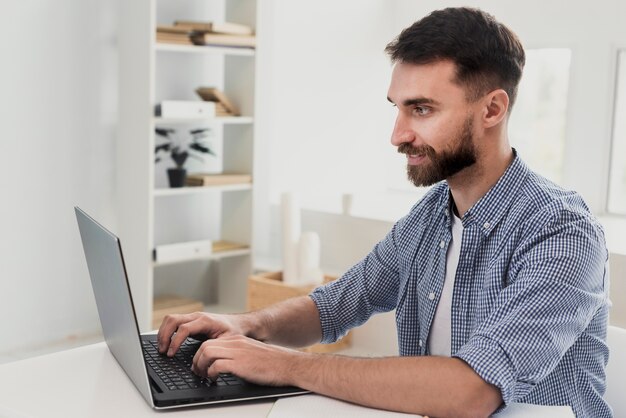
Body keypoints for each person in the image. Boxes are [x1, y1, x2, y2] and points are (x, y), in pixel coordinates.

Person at [157, 7, 611, 418]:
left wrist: (285, 366)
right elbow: (334, 306)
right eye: (398, 109)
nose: (397, 134)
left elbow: (471, 392)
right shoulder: (430, 215)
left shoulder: (563, 232)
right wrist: (247, 324)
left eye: (422, 109)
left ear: (492, 109)